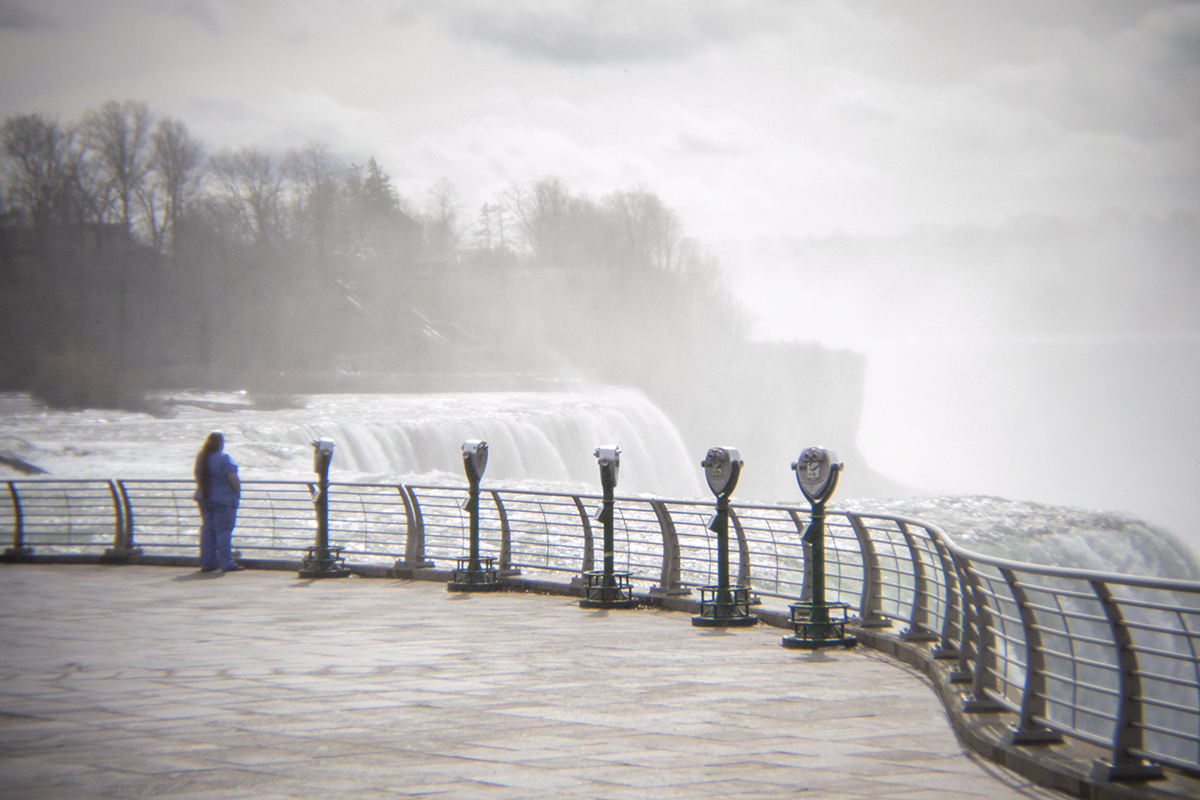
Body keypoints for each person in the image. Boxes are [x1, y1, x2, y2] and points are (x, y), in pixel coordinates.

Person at [194, 432, 242, 572]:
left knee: (207, 531)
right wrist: (237, 491)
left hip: (203, 497)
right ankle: (225, 563)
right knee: (223, 532)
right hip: (223, 499)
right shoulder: (224, 458)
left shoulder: (201, 457)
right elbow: (232, 477)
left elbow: (197, 475)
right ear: (221, 443)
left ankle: (206, 563)